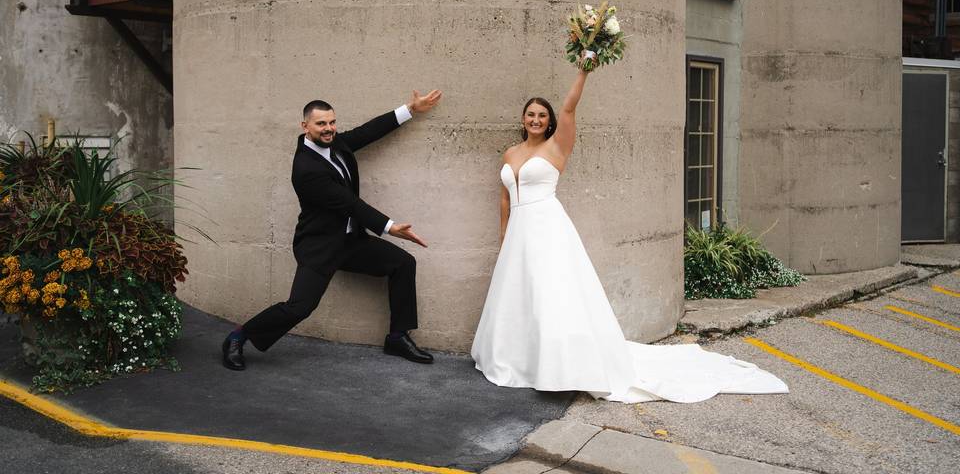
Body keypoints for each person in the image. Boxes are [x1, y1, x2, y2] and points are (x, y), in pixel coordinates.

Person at [470, 63, 787, 403]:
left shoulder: (556, 148)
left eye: (541, 116)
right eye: (530, 114)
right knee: (519, 296)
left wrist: (584, 72)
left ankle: (561, 367)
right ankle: (520, 359)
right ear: (523, 119)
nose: (536, 119)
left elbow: (569, 108)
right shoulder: (510, 154)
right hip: (518, 232)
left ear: (549, 123)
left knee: (552, 293)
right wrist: (504, 238)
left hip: (547, 228)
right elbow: (504, 199)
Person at [222, 90, 442, 371]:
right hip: (320, 247)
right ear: (305, 127)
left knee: (403, 263)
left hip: (350, 241)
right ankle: (238, 337)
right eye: (321, 124)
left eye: (332, 122)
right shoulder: (305, 168)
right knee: (299, 307)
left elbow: (367, 132)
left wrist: (410, 109)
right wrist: (389, 227)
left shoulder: (334, 143)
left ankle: (397, 337)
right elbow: (348, 203)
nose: (329, 129)